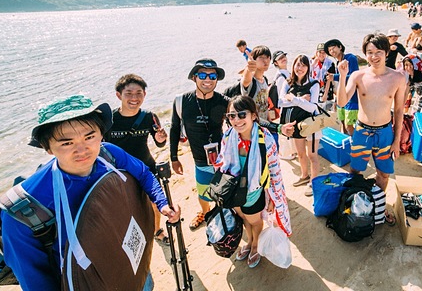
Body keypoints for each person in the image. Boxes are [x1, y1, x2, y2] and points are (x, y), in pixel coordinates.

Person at [1, 95, 180, 291]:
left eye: (89, 136)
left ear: (101, 134)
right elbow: (35, 282)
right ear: (47, 147)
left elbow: (144, 173)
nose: (82, 149)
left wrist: (161, 203)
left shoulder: (109, 154)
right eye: (67, 143)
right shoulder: (25, 210)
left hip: (133, 265)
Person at [337, 33, 406, 225]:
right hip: (361, 131)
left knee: (383, 174)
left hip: (385, 133)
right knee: (355, 171)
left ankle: (376, 204)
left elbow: (399, 110)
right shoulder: (358, 75)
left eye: (378, 52)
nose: (374, 56)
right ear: (364, 54)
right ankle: (356, 203)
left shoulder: (398, 78)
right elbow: (342, 102)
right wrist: (342, 77)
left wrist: (396, 141)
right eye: (369, 52)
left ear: (386, 52)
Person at [215, 96, 291, 268]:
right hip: (234, 190)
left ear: (254, 116)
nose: (236, 120)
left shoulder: (266, 139)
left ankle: (256, 244)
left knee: (254, 220)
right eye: (231, 116)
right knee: (242, 217)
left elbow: (274, 171)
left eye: (242, 114)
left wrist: (272, 197)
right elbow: (222, 160)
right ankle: (249, 242)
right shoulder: (228, 136)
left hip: (254, 191)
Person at [105, 74, 169, 245]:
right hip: (120, 172)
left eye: (139, 93)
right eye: (129, 93)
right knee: (127, 209)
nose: (134, 98)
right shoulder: (109, 120)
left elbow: (160, 143)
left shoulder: (149, 117)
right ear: (119, 95)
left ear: (144, 95)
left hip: (146, 167)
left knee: (155, 203)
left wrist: (162, 139)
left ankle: (157, 230)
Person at [169, 59, 229, 230]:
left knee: (224, 191)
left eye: (212, 75)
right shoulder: (182, 101)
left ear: (217, 79)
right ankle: (204, 212)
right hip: (199, 160)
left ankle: (224, 213)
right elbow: (174, 129)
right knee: (203, 192)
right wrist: (174, 157)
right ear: (194, 77)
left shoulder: (224, 101)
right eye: (202, 75)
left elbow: (244, 117)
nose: (207, 79)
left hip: (222, 159)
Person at [279, 54, 320, 196]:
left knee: (312, 156)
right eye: (298, 64)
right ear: (293, 65)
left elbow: (313, 107)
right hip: (296, 125)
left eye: (303, 65)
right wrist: (300, 100)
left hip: (311, 125)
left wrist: (293, 99)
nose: (300, 68)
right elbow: (280, 102)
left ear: (308, 67)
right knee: (301, 154)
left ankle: (314, 183)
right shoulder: (287, 82)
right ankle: (304, 176)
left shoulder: (314, 84)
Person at [324, 38, 359, 135]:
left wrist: (334, 76)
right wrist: (336, 100)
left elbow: (354, 76)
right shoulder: (338, 63)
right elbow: (340, 83)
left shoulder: (350, 58)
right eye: (330, 50)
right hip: (341, 97)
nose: (332, 51)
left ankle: (355, 145)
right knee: (342, 123)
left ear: (340, 47)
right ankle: (345, 145)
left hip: (352, 97)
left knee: (349, 124)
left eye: (333, 48)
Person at [310, 43, 337, 110]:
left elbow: (329, 79)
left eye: (324, 52)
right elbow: (307, 74)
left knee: (327, 110)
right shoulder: (311, 62)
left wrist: (325, 94)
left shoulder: (330, 63)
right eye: (320, 52)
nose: (322, 54)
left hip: (326, 89)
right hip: (314, 89)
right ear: (316, 53)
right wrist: (313, 64)